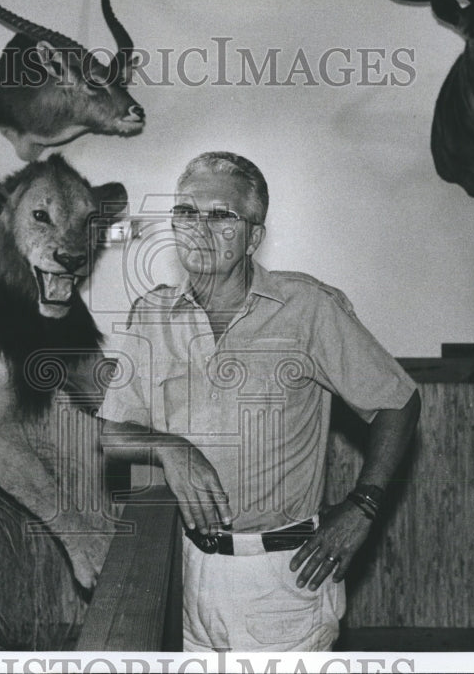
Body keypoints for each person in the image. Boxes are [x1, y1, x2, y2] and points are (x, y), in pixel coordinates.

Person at [98, 151, 420, 652]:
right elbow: (112, 433)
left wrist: (364, 506)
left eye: (220, 215)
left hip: (282, 579)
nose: (197, 229)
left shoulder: (307, 309)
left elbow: (398, 402)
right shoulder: (152, 314)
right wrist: (170, 448)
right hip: (184, 573)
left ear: (253, 237)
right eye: (185, 212)